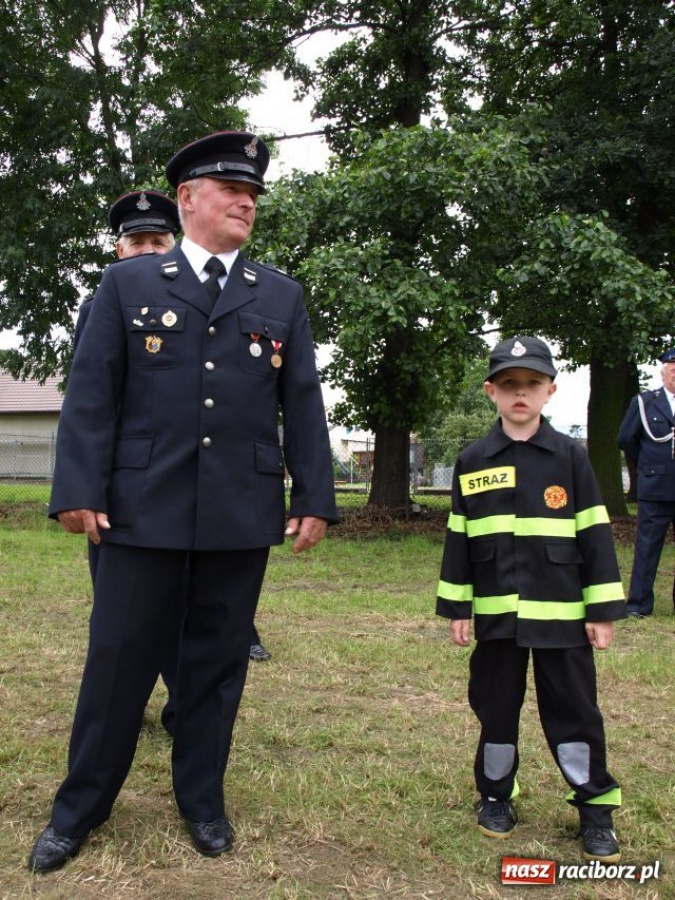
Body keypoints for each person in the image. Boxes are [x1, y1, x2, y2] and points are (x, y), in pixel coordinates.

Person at [28, 131, 338, 874]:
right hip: (139, 509)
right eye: (232, 191)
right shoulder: (127, 285)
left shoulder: (280, 295)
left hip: (240, 510)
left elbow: (302, 402)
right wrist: (78, 488)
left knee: (215, 667)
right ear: (188, 200)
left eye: (254, 194)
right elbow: (92, 396)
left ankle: (202, 802)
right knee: (116, 666)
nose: (246, 202)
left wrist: (314, 495)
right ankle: (78, 811)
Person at [436, 336, 626, 863]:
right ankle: (496, 795)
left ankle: (595, 811)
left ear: (550, 392)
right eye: (510, 384)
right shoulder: (472, 459)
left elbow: (594, 534)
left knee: (574, 713)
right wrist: (457, 607)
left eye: (532, 384)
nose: (521, 394)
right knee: (496, 709)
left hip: (564, 619)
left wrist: (603, 611)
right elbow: (459, 538)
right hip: (498, 616)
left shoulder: (572, 458)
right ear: (491, 391)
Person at [77, 189, 272, 666]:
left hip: (199, 477)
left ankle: (181, 708)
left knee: (197, 594)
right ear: (119, 250)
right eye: (136, 242)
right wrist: (92, 483)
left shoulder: (219, 294)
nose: (146, 251)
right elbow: (93, 399)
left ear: (175, 245)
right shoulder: (103, 303)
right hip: (129, 483)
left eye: (157, 241)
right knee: (125, 608)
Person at [618, 348, 675, 618]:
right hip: (656, 489)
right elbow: (626, 439)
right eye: (673, 368)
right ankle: (638, 605)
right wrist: (651, 466)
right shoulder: (645, 402)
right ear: (663, 371)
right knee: (647, 548)